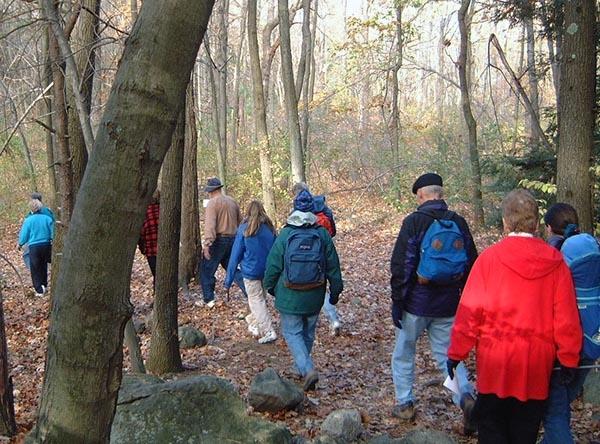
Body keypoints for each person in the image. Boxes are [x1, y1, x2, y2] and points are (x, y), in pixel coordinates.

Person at [447, 190, 583, 444]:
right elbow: (566, 318)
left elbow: (470, 313)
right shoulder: (555, 262)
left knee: (491, 430)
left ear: (506, 222)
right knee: (525, 432)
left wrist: (456, 353)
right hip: (535, 365)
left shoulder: (489, 260)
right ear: (536, 223)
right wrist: (568, 358)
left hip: (495, 363)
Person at [390, 173, 477, 430]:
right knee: (449, 356)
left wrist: (398, 301)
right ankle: (465, 398)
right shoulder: (458, 222)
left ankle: (405, 404)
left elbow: (402, 266)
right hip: (448, 303)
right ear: (441, 194)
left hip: (416, 304)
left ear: (421, 196)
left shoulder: (414, 222)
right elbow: (472, 262)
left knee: (404, 353)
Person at [263, 192, 343, 391]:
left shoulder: (286, 234)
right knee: (307, 332)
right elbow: (333, 266)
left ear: (294, 208)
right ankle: (301, 368)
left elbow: (273, 266)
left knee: (292, 332)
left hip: (289, 295)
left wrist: (270, 287)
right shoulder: (322, 234)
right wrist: (335, 291)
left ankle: (306, 369)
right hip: (315, 294)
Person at [541, 203, 597, 444]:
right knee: (561, 405)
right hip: (592, 340)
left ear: (548, 228)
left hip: (564, 347)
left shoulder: (554, 256)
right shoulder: (592, 248)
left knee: (555, 413)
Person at [292, 182, 341, 336]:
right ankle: (334, 319)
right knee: (322, 286)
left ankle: (304, 321)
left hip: (306, 254)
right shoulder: (322, 207)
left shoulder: (300, 208)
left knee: (310, 286)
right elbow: (333, 231)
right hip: (324, 250)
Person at [225, 200, 277, 344]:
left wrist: (228, 280)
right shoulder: (270, 229)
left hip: (251, 272)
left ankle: (268, 331)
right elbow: (277, 251)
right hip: (267, 271)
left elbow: (235, 255)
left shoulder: (244, 230)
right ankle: (253, 323)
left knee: (256, 301)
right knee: (260, 300)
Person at [199, 177, 246, 308]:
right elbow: (241, 222)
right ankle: (249, 293)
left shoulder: (212, 204)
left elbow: (210, 225)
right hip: (233, 240)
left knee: (206, 270)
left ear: (210, 191)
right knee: (233, 269)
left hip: (218, 240)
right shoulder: (232, 202)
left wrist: (207, 244)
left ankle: (209, 300)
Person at [18, 198, 54, 295]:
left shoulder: (28, 220)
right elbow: (53, 233)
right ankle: (44, 285)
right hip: (46, 245)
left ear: (31, 209)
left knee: (35, 268)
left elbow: (24, 235)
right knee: (43, 265)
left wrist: (20, 243)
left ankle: (39, 289)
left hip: (34, 247)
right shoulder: (48, 219)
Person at [22, 192, 54, 270]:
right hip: (47, 240)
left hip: (34, 242)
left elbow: (25, 231)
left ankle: (31, 268)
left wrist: (20, 243)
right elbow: (53, 224)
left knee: (26, 253)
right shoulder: (48, 212)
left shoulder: (30, 216)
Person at [139, 190, 160, 285]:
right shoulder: (164, 211)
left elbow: (141, 233)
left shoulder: (144, 214)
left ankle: (157, 295)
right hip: (167, 250)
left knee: (157, 274)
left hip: (151, 250)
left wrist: (142, 249)